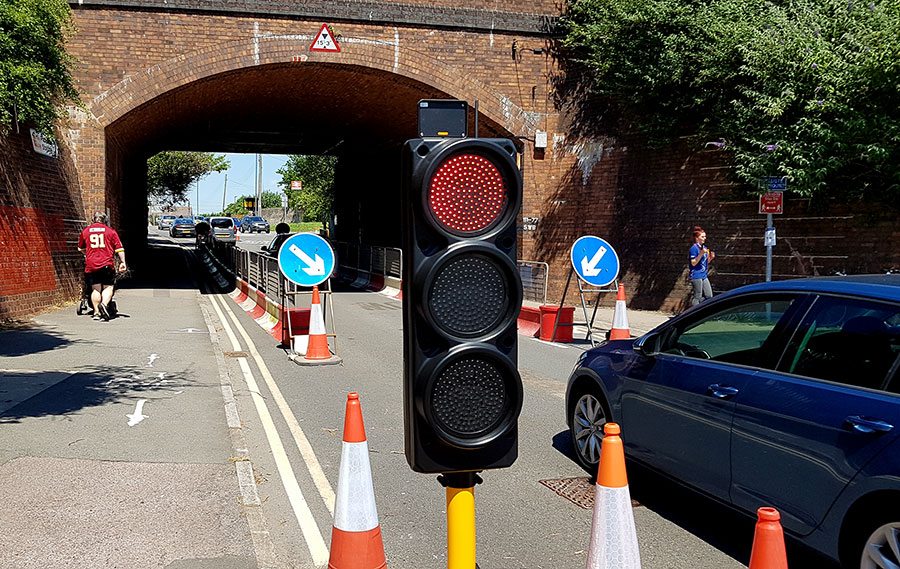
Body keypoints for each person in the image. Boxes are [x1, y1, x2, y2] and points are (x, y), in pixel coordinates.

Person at [78, 212, 126, 321]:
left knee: (95, 289)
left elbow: (81, 248)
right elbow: (119, 249)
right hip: (107, 264)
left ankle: (96, 312)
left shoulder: (86, 231)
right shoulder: (111, 232)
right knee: (108, 287)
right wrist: (123, 262)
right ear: (105, 220)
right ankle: (104, 304)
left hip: (91, 265)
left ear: (93, 220)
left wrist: (89, 254)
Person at [689, 226, 715, 306]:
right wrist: (701, 253)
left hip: (704, 275)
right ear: (697, 238)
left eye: (705, 236)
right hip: (696, 275)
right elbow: (693, 263)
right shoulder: (694, 248)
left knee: (709, 296)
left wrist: (711, 258)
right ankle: (694, 312)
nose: (704, 238)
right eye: (702, 236)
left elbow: (704, 262)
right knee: (698, 296)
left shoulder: (704, 248)